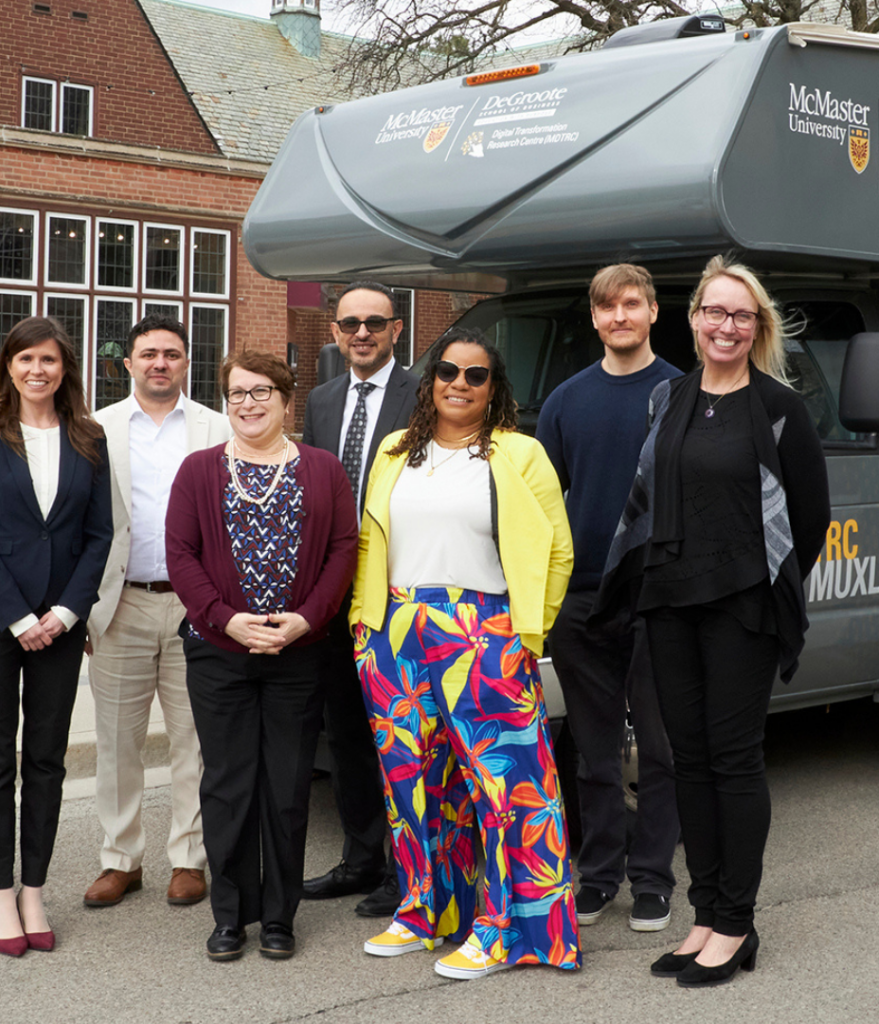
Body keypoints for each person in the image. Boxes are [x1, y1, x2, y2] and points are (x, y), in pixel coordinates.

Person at [595, 256, 829, 987]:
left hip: (742, 610)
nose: (726, 326)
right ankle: (703, 914)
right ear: (693, 318)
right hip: (669, 602)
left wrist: (763, 587)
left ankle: (737, 922)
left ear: (755, 327)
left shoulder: (781, 409)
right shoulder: (671, 399)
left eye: (741, 315)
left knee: (732, 761)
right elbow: (645, 496)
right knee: (685, 760)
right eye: (714, 312)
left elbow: (810, 521)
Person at [352, 326, 580, 981]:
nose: (458, 382)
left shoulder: (518, 453)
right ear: (429, 381)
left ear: (493, 388)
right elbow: (371, 540)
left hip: (484, 631)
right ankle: (427, 909)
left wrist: (524, 633)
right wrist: (364, 627)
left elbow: (558, 550)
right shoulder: (397, 450)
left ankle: (508, 930)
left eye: (474, 375)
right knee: (412, 785)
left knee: (507, 790)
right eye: (447, 371)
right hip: (394, 632)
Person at [166, 351, 358, 962]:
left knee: (286, 787)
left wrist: (306, 619)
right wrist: (226, 620)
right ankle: (231, 916)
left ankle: (279, 916)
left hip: (298, 655)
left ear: (285, 398)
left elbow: (343, 551)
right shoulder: (198, 470)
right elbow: (181, 555)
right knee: (226, 787)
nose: (248, 404)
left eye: (261, 392)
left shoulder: (324, 470)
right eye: (236, 394)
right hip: (219, 654)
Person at [0, 316, 113, 956]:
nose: (36, 371)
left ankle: (34, 890)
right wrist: (19, 616)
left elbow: (100, 534)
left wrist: (68, 612)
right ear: (8, 368)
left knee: (46, 761)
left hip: (62, 623)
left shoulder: (89, 437)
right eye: (25, 360)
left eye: (48, 359)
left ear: (64, 367)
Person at [537, 264, 682, 932]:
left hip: (660, 600)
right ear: (594, 319)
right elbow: (542, 507)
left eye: (632, 304)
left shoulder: (684, 395)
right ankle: (597, 876)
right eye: (607, 307)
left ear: (653, 312)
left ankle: (653, 880)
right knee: (593, 753)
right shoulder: (566, 401)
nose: (619, 316)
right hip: (582, 602)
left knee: (660, 748)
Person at [83, 314, 230, 910]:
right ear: (129, 364)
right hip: (121, 605)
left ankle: (188, 859)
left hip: (197, 607)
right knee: (117, 741)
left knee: (193, 740)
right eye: (148, 354)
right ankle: (121, 860)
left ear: (186, 363)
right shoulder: (96, 428)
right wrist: (83, 607)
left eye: (171, 354)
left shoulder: (218, 426)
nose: (160, 363)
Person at [301, 280, 418, 919]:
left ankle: (411, 870)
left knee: (403, 738)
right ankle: (361, 857)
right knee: (346, 732)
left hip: (399, 592)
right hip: (333, 596)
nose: (363, 333)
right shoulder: (320, 400)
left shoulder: (425, 395)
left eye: (375, 322)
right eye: (350, 324)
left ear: (397, 329)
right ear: (336, 331)